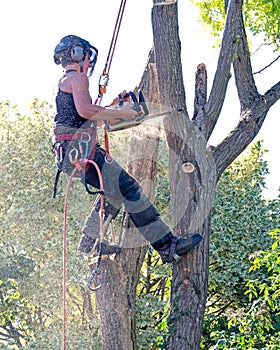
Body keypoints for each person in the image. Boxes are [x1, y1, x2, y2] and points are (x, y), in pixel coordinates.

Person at [52, 34, 202, 263]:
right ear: (77, 54)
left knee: (114, 192)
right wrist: (124, 112)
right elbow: (86, 111)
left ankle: (89, 241)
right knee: (129, 188)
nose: (90, 64)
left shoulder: (66, 80)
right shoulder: (76, 79)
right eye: (88, 59)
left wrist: (115, 112)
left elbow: (89, 116)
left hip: (73, 152)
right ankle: (167, 246)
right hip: (79, 151)